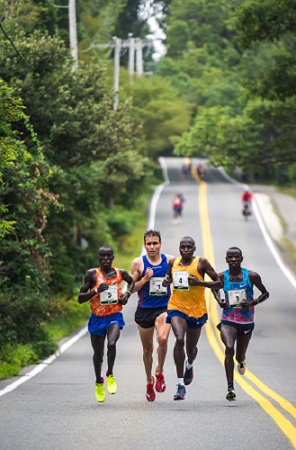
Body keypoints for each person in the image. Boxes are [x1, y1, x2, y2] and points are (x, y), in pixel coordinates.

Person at [162, 236, 222, 400]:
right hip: (176, 307)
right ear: (179, 248)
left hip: (196, 310)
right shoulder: (173, 263)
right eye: (183, 247)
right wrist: (167, 281)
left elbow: (219, 283)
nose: (186, 249)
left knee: (190, 349)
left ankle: (189, 364)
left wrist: (200, 283)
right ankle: (180, 384)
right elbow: (167, 280)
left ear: (194, 249)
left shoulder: (201, 263)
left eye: (189, 247)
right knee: (179, 339)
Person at [78, 246, 134, 403]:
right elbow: (80, 298)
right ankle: (98, 381)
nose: (106, 259)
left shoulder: (120, 273)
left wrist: (127, 295)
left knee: (111, 343)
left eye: (109, 256)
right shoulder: (92, 274)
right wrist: (95, 291)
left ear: (113, 257)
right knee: (98, 355)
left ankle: (110, 373)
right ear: (98, 258)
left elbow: (131, 282)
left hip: (114, 316)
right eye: (102, 256)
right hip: (97, 319)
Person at [212, 247, 269, 401]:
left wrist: (253, 302)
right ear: (226, 259)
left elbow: (266, 293)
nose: (233, 260)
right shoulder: (221, 277)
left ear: (241, 259)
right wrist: (220, 301)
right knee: (229, 348)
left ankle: (242, 360)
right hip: (228, 320)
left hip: (246, 322)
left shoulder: (251, 276)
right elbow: (214, 289)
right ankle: (230, 387)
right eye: (230, 257)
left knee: (239, 355)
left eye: (236, 257)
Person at [131, 230, 175, 402]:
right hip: (144, 310)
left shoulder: (170, 261)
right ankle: (149, 381)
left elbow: (180, 278)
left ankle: (160, 371)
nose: (152, 247)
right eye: (149, 243)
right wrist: (145, 280)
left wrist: (171, 280)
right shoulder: (138, 263)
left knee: (163, 339)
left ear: (160, 244)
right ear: (144, 245)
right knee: (147, 350)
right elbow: (131, 288)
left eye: (155, 243)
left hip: (164, 307)